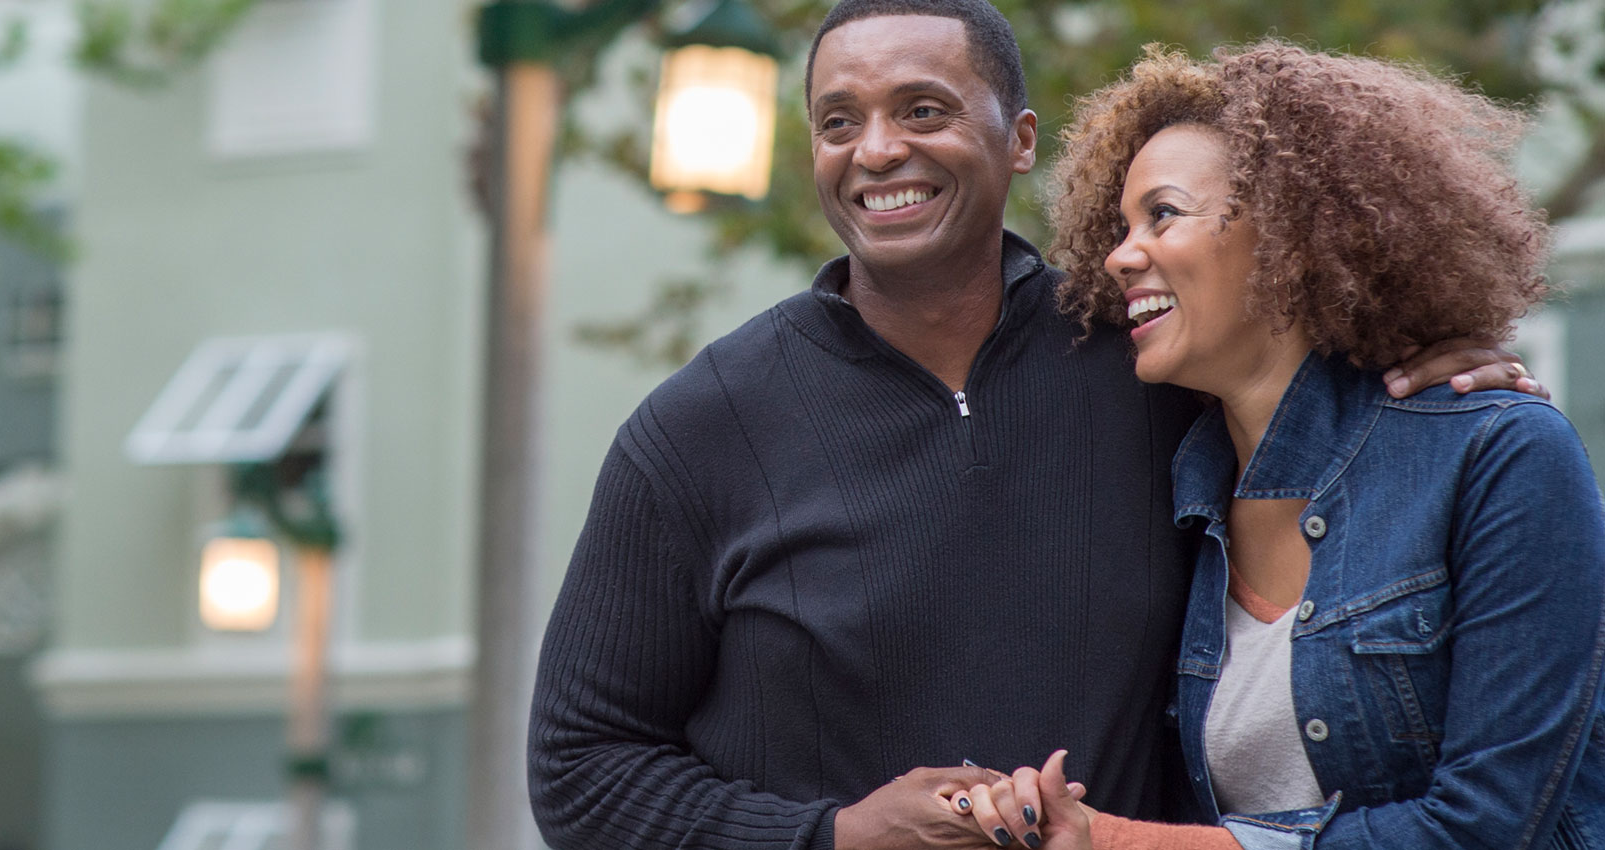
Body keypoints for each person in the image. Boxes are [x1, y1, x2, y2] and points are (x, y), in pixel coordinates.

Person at [526, 4, 1547, 849]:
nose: (877, 149)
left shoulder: (1153, 366)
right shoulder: (698, 427)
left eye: (921, 108)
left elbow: (1313, 367)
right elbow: (580, 770)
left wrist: (1438, 354)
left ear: (1018, 137)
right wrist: (831, 835)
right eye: (838, 122)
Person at [966, 41, 1605, 850]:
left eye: (1161, 214)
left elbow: (1488, 824)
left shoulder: (1497, 454)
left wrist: (1118, 843)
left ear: (1289, 235)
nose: (1118, 256)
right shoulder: (1173, 486)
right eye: (1120, 226)